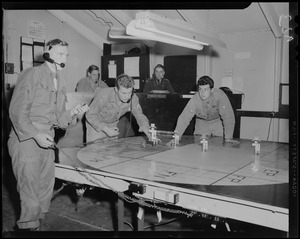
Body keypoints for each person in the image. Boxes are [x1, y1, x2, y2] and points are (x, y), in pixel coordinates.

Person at [7, 39, 89, 231]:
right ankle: (28, 227)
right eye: (60, 54)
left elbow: (60, 119)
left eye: (66, 55)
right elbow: (17, 112)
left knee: (45, 189)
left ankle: (37, 226)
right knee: (30, 192)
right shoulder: (32, 74)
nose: (64, 59)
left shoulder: (59, 80)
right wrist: (36, 135)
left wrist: (74, 113)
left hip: (48, 138)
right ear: (47, 53)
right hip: (26, 139)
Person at [167, 75, 239, 146]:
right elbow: (184, 118)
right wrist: (176, 138)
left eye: (205, 89)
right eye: (200, 89)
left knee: (220, 146)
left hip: (217, 122)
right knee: (199, 147)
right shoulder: (195, 99)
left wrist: (228, 137)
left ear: (211, 90)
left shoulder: (220, 96)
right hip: (202, 124)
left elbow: (228, 117)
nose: (202, 93)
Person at [86, 73, 157, 143]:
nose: (128, 97)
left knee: (111, 151)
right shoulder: (103, 95)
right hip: (96, 123)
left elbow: (139, 116)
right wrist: (106, 129)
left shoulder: (133, 97)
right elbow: (90, 115)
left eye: (130, 92)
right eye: (124, 93)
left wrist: (148, 131)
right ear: (116, 90)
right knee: (94, 151)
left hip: (112, 124)